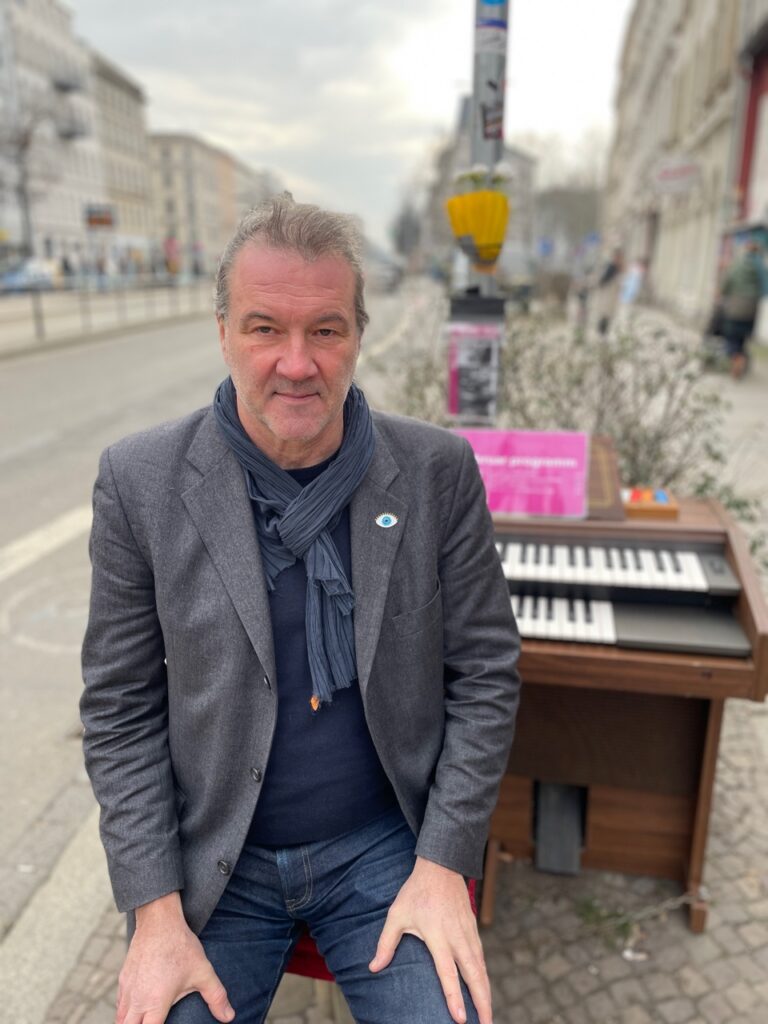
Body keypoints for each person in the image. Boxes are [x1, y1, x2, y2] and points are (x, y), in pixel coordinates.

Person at [80, 194, 521, 1024]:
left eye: (324, 329)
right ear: (223, 332)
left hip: (385, 848)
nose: (296, 362)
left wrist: (443, 864)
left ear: (358, 335)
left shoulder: (436, 473)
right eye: (264, 329)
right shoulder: (140, 483)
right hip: (218, 857)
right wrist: (154, 910)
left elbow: (486, 675)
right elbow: (119, 707)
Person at [719, 240, 768, 378]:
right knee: (743, 336)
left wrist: (723, 293)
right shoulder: (760, 266)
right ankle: (740, 356)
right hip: (752, 307)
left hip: (735, 305)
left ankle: (736, 358)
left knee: (732, 335)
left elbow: (726, 283)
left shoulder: (737, 264)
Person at [592, 246, 624, 335]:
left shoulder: (617, 268)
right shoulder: (611, 267)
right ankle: (601, 332)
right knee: (605, 313)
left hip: (613, 295)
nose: (619, 259)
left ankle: (603, 332)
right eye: (617, 257)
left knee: (609, 314)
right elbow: (603, 281)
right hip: (608, 294)